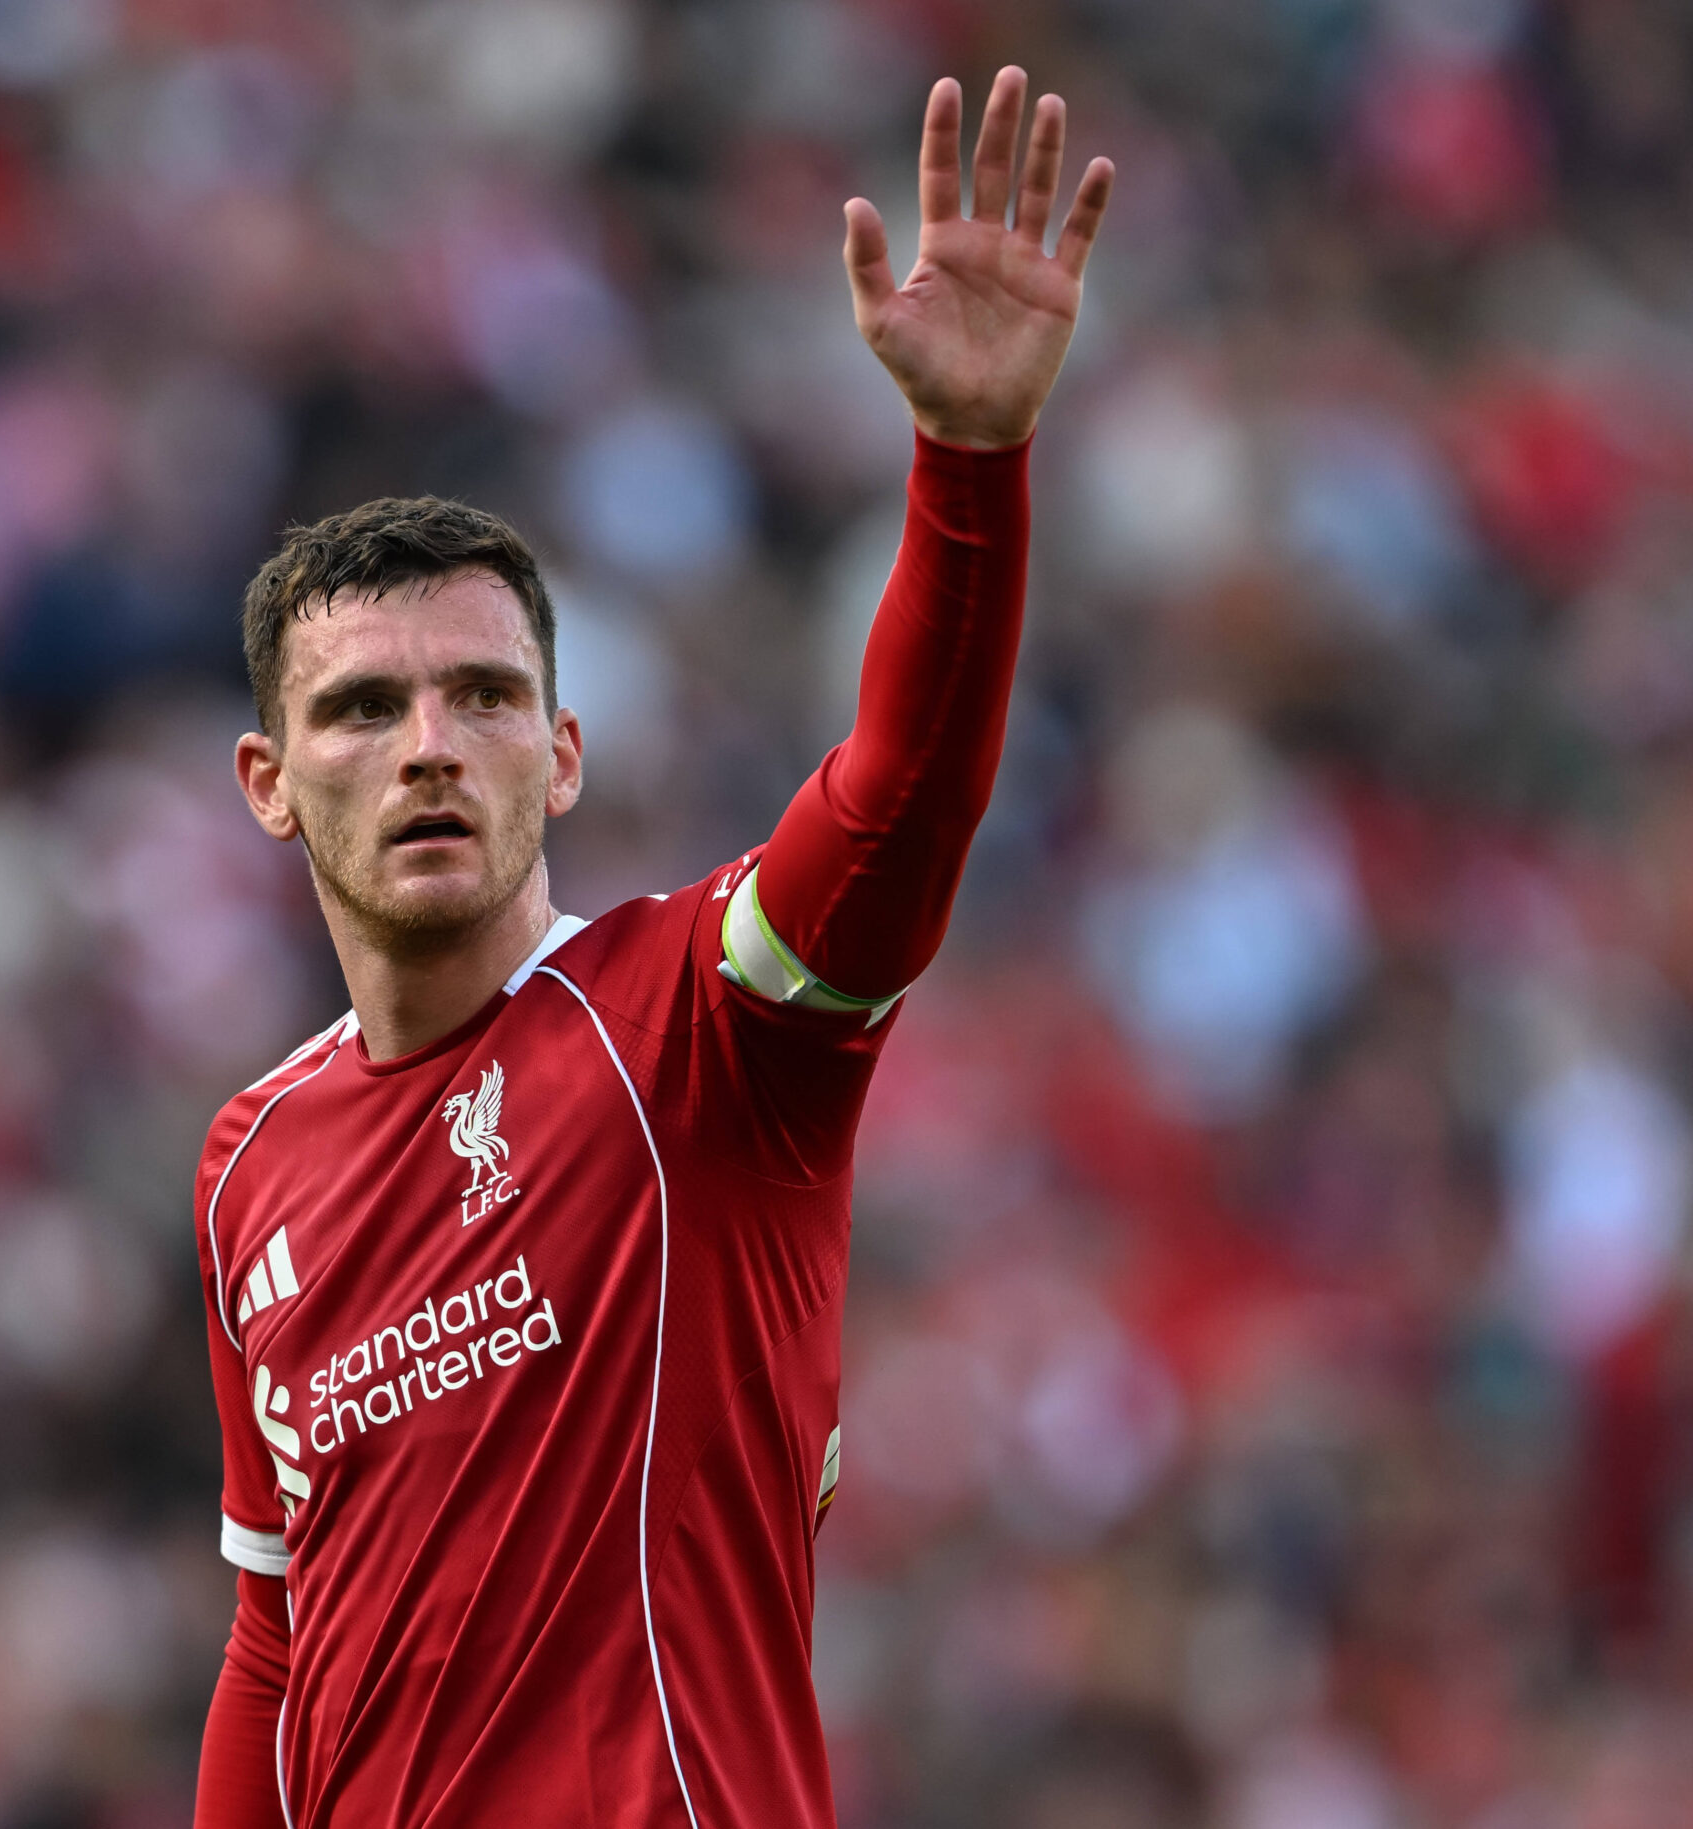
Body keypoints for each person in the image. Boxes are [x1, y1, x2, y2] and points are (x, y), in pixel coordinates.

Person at [192, 69, 1112, 1829]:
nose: (430, 743)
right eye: (365, 707)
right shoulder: (253, 1159)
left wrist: (970, 461)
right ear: (269, 781)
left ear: (566, 753)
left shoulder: (699, 1016)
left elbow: (904, 798)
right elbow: (274, 1637)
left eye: (485, 697)